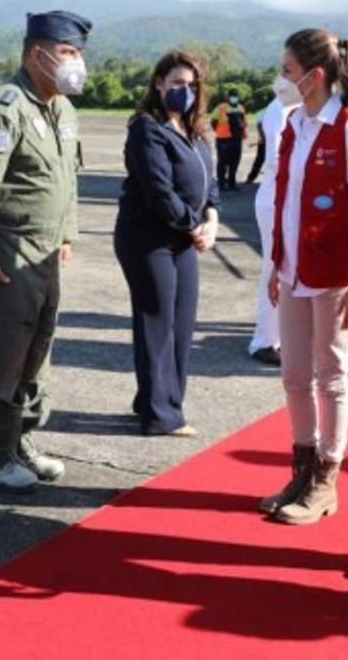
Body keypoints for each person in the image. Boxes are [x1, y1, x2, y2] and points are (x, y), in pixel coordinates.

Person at [0, 10, 91, 490]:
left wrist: (67, 233)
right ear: (38, 54)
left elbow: (67, 179)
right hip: (8, 256)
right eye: (69, 52)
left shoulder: (63, 111)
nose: (77, 63)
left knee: (37, 355)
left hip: (46, 257)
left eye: (79, 53)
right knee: (1, 356)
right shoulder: (4, 108)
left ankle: (23, 440)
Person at [260, 29, 348, 525]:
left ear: (316, 75)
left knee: (331, 376)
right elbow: (286, 200)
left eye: (289, 71)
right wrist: (274, 263)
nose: (283, 80)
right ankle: (302, 466)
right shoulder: (294, 124)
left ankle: (327, 479)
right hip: (293, 268)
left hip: (333, 272)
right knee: (293, 375)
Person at [114, 51, 221, 436]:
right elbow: (159, 190)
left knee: (182, 323)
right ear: (158, 83)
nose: (184, 91)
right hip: (149, 238)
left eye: (191, 86)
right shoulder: (147, 128)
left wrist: (212, 216)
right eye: (176, 83)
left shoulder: (193, 130)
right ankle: (162, 414)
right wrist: (194, 226)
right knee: (157, 322)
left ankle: (156, 399)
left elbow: (209, 182)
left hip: (182, 238)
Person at [248, 95, 298, 367]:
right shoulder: (282, 106)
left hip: (290, 198)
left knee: (288, 269)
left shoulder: (302, 104)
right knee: (274, 267)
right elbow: (275, 159)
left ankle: (282, 335)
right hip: (276, 199)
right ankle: (265, 341)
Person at [212, 89, 247, 191]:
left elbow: (243, 123)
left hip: (237, 139)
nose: (234, 98)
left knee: (235, 162)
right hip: (224, 140)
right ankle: (221, 184)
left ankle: (232, 183)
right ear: (227, 97)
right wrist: (221, 131)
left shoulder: (241, 107)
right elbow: (213, 122)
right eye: (232, 96)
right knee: (223, 163)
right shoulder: (221, 107)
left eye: (235, 95)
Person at [245, 107, 268, 185]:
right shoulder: (262, 112)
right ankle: (251, 178)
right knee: (260, 159)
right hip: (264, 141)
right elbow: (259, 125)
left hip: (271, 140)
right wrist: (263, 137)